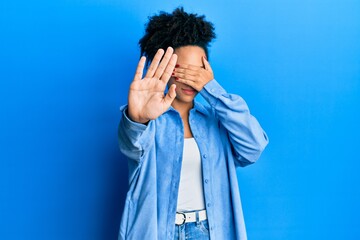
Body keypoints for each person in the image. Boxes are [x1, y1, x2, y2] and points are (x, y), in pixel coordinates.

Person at [118, 7, 268, 240]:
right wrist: (137, 119)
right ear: (167, 70)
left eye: (197, 70)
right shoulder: (151, 120)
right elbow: (131, 146)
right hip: (159, 232)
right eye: (181, 69)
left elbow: (254, 147)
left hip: (207, 231)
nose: (190, 79)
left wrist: (213, 92)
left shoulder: (218, 121)